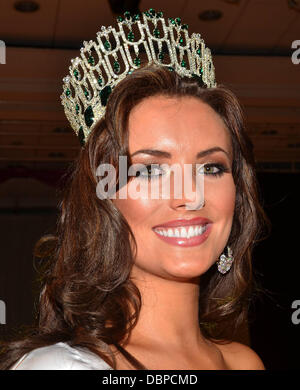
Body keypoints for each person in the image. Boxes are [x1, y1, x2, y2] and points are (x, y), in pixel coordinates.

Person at [0, 8, 270, 370]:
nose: (190, 195)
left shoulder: (244, 363)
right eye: (150, 170)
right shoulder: (64, 366)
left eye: (211, 167)